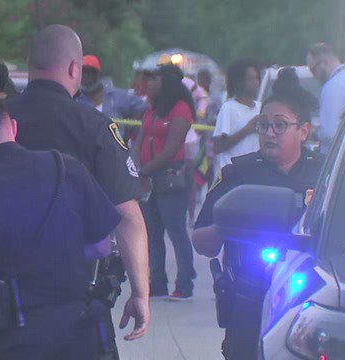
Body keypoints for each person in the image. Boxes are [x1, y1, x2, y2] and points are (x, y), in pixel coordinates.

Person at [0, 92, 119, 359]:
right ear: (14, 127)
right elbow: (101, 247)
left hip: (14, 340)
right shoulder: (68, 169)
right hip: (80, 333)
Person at [5, 24, 149, 358]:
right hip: (77, 306)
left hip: (10, 309)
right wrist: (141, 292)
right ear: (75, 69)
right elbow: (127, 218)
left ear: (30, 65)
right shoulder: (95, 127)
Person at [193, 68, 323, 359]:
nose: (269, 133)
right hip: (249, 298)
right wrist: (227, 224)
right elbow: (201, 242)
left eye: (279, 125)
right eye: (263, 125)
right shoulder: (239, 173)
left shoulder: (325, 174)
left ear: (303, 131)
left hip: (309, 298)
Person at [132, 64, 197, 300]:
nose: (148, 83)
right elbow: (139, 141)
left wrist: (144, 171)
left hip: (170, 178)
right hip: (149, 179)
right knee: (152, 231)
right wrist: (138, 169)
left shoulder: (181, 109)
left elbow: (171, 149)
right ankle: (157, 281)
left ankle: (185, 282)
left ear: (165, 82)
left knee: (176, 230)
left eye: (153, 79)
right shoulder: (152, 110)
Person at [77, 54, 148, 144]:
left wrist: (129, 129)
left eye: (89, 72)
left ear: (98, 74)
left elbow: (145, 107)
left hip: (116, 153)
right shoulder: (75, 101)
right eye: (83, 72)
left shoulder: (117, 97)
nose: (85, 76)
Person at [307, 42, 345, 153]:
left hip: (337, 156)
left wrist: (313, 133)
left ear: (324, 63)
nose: (314, 76)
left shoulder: (332, 86)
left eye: (313, 70)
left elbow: (329, 133)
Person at [212, 58, 262, 177]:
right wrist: (247, 130)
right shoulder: (228, 108)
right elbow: (218, 147)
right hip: (232, 174)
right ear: (239, 81)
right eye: (250, 79)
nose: (255, 82)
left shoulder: (261, 107)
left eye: (257, 78)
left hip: (255, 173)